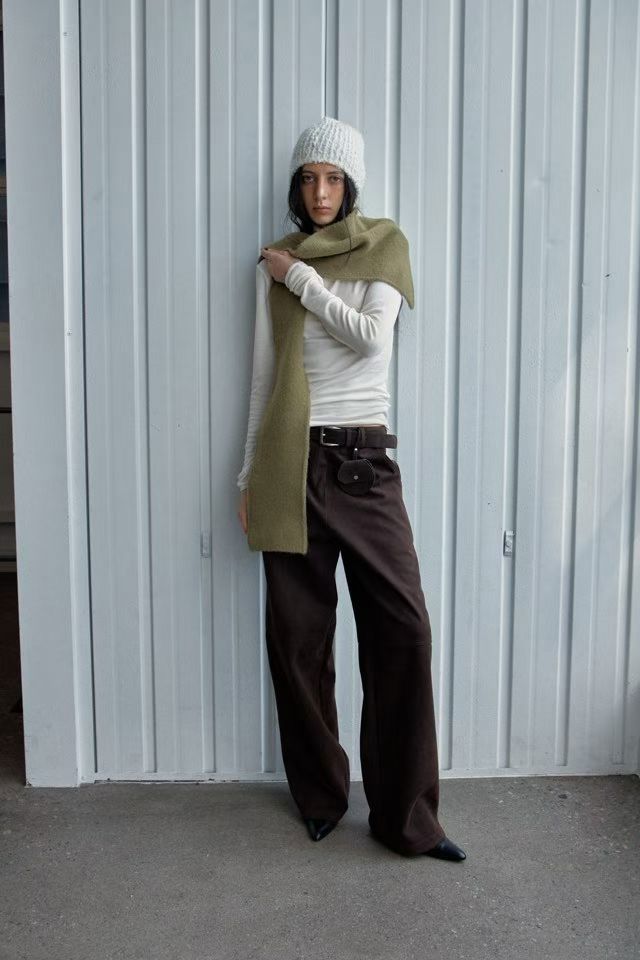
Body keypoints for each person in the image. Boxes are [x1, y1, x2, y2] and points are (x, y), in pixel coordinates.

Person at [236, 116, 466, 862]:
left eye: (334, 179)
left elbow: (371, 338)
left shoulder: (381, 247)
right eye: (309, 178)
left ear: (353, 185)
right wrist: (247, 475)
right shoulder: (273, 264)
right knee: (297, 641)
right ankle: (321, 797)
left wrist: (300, 279)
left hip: (364, 464)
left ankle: (407, 820)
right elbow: (264, 379)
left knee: (404, 630)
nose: (321, 192)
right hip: (288, 462)